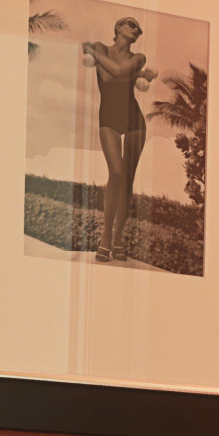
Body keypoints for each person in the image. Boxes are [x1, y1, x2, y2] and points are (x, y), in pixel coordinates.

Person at [83, 17, 153, 262]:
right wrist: (135, 75)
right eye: (131, 24)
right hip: (109, 118)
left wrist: (91, 52)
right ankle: (105, 237)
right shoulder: (102, 47)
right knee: (116, 172)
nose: (136, 29)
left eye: (138, 29)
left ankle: (119, 237)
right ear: (118, 28)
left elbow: (118, 73)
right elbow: (112, 79)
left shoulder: (139, 58)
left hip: (134, 121)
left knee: (128, 179)